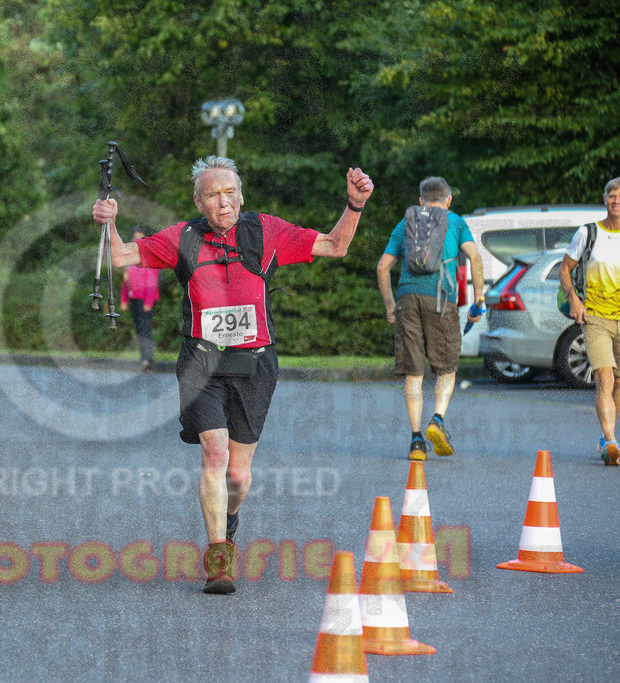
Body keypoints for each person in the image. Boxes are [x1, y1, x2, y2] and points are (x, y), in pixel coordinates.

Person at [92, 156, 374, 594]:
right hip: (201, 359)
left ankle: (230, 519)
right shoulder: (182, 236)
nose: (223, 203)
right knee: (215, 455)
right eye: (212, 195)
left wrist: (354, 206)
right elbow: (119, 256)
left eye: (229, 193)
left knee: (237, 477)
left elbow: (336, 245)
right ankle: (218, 555)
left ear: (241, 196)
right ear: (198, 202)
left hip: (255, 362)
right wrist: (109, 222)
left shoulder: (267, 231)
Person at [376, 176, 484, 462]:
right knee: (447, 367)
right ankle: (437, 419)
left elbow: (383, 267)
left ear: (421, 200)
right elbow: (475, 258)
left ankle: (416, 442)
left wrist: (390, 306)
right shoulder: (456, 221)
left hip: (407, 299)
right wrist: (479, 298)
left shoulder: (406, 222)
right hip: (441, 299)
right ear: (449, 200)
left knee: (414, 373)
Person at [559, 177, 620, 465]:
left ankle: (608, 437)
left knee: (619, 383)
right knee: (604, 378)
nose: (616, 200)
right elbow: (564, 270)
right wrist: (574, 300)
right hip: (595, 316)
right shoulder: (589, 233)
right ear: (604, 199)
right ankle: (610, 441)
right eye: (612, 195)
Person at [120, 227, 160, 372]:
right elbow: (125, 282)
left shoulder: (148, 257)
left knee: (145, 329)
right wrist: (123, 300)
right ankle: (143, 358)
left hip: (145, 300)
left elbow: (152, 281)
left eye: (140, 237)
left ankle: (147, 360)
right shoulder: (130, 261)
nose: (136, 240)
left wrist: (149, 301)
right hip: (134, 299)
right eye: (134, 237)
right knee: (139, 329)